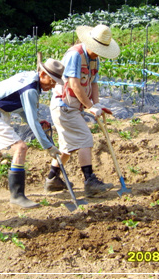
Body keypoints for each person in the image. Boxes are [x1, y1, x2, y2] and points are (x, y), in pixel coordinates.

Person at [0, 58, 65, 208]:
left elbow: (23, 109)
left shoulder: (30, 78)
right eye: (51, 81)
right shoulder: (31, 89)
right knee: (21, 148)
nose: (51, 86)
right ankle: (17, 196)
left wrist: (37, 122)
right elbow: (31, 120)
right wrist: (49, 146)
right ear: (43, 74)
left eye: (54, 83)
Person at [45, 24, 120, 197]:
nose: (99, 51)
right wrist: (89, 106)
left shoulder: (95, 58)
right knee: (85, 139)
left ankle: (52, 178)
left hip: (73, 107)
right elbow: (74, 84)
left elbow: (93, 83)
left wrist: (97, 104)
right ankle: (90, 181)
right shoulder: (75, 55)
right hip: (64, 105)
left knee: (67, 148)